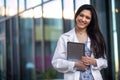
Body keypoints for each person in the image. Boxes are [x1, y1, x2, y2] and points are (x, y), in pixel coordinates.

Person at [51, 4, 108, 80]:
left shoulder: (96, 38)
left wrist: (94, 61)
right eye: (81, 15)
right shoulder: (64, 38)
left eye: (87, 18)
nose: (83, 19)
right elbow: (56, 62)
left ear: (91, 21)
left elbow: (104, 62)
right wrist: (75, 64)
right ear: (76, 16)